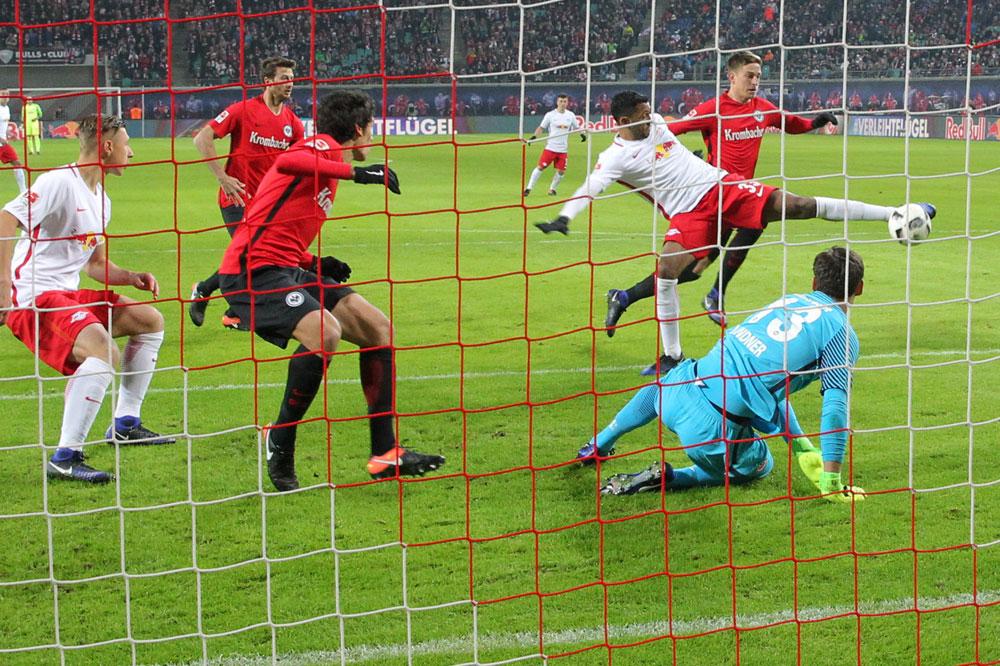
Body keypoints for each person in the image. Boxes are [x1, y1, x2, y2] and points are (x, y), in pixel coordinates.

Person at [535, 91, 934, 376]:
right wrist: (565, 217)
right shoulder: (614, 157)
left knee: (794, 206)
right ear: (623, 122)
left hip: (721, 186)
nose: (651, 116)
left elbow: (679, 132)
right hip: (688, 212)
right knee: (671, 271)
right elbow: (591, 186)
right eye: (642, 113)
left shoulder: (655, 122)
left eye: (649, 109)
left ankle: (891, 214)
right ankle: (672, 355)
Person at [217, 90, 445, 492]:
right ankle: (280, 438)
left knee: (377, 328)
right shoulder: (324, 147)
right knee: (325, 332)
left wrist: (312, 262)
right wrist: (360, 173)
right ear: (358, 129)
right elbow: (287, 160)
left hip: (285, 267)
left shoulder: (326, 154)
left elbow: (277, 217)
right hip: (251, 271)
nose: (372, 137)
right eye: (371, 128)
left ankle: (385, 453)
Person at [584, 246, 866, 504]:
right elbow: (834, 409)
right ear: (860, 288)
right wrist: (831, 480)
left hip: (678, 388)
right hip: (710, 430)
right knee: (761, 465)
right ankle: (672, 477)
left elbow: (768, 386)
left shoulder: (789, 301)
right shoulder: (842, 335)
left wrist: (801, 446)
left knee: (664, 385)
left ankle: (599, 443)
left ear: (815, 283)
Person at [605, 52, 838, 332]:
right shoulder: (712, 109)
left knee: (735, 240)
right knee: (692, 270)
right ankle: (644, 296)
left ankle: (705, 295)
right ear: (732, 76)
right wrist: (667, 154)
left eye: (758, 77)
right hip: (712, 199)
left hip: (740, 197)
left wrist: (815, 122)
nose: (755, 82)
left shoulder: (762, 107)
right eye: (749, 76)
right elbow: (674, 129)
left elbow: (790, 123)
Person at [0, 114, 175, 484]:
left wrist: (130, 277)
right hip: (35, 296)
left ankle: (126, 424)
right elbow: (5, 219)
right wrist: (2, 284)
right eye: (127, 144)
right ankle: (66, 456)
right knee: (104, 352)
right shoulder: (58, 182)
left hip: (67, 293)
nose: (131, 151)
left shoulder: (101, 199)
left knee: (149, 320)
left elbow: (94, 264)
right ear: (107, 147)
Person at [188, 56, 304, 331]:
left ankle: (224, 304)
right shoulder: (242, 110)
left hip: (267, 205)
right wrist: (223, 177)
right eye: (283, 78)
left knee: (260, 257)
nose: (289, 84)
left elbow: (301, 159)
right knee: (250, 253)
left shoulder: (292, 122)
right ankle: (218, 300)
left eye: (291, 78)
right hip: (236, 198)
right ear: (267, 82)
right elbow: (201, 138)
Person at [522, 93, 585, 197]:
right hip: (550, 148)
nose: (563, 104)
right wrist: (534, 137)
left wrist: (581, 135)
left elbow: (576, 128)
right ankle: (529, 188)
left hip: (563, 149)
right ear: (557, 102)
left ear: (567, 103)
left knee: (561, 171)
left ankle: (552, 189)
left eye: (565, 102)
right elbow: (541, 127)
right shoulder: (550, 115)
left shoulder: (570, 115)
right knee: (540, 167)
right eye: (561, 101)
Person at [0, 89, 28, 193]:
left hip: (3, 145)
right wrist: (1, 138)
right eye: (3, 94)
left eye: (7, 94)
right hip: (1, 142)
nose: (5, 96)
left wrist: (10, 134)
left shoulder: (6, 108)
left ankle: (23, 191)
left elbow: (3, 125)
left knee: (17, 163)